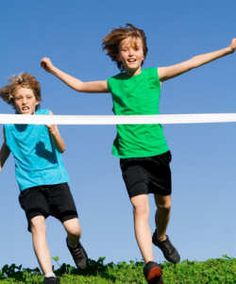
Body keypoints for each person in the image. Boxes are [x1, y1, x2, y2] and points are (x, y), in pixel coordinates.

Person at [40, 24, 236, 284]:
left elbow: (191, 63)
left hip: (157, 152)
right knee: (139, 206)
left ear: (143, 54)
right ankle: (150, 264)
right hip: (130, 155)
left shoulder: (154, 76)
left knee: (164, 205)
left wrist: (228, 50)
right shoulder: (114, 84)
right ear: (118, 56)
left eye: (136, 49)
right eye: (125, 50)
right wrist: (52, 69)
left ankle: (161, 237)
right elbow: (79, 85)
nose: (131, 53)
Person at [0, 73, 88, 284]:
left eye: (28, 97)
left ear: (36, 100)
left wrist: (55, 132)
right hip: (29, 185)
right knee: (38, 225)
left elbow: (62, 148)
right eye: (20, 98)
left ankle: (74, 245)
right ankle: (49, 276)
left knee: (74, 229)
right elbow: (6, 148)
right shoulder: (8, 124)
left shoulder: (47, 115)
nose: (24, 102)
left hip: (56, 181)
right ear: (13, 100)